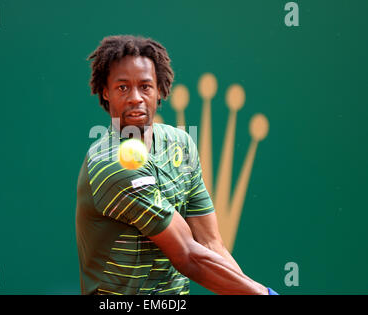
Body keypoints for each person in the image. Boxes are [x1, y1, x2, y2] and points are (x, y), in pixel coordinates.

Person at [76, 35, 276, 295]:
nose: (135, 97)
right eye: (123, 87)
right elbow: (187, 255)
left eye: (145, 86)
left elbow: (210, 243)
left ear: (160, 90)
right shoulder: (112, 165)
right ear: (106, 91)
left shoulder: (179, 144)